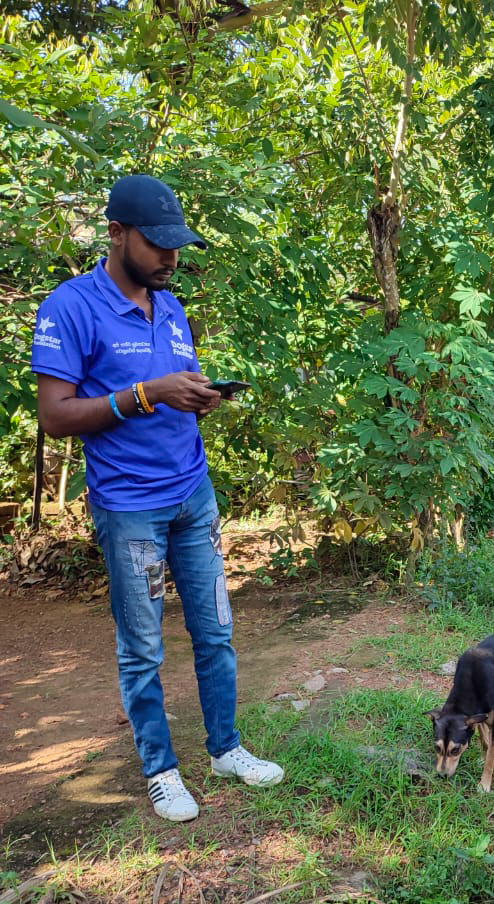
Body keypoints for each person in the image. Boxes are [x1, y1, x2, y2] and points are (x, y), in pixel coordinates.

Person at [31, 174, 283, 822]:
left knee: (216, 632)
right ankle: (161, 770)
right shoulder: (71, 306)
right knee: (142, 646)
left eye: (178, 246)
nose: (172, 258)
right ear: (116, 233)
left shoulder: (169, 305)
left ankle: (226, 749)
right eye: (158, 244)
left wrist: (197, 395)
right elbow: (56, 417)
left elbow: (171, 391)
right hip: (130, 508)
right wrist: (148, 394)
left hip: (192, 496)